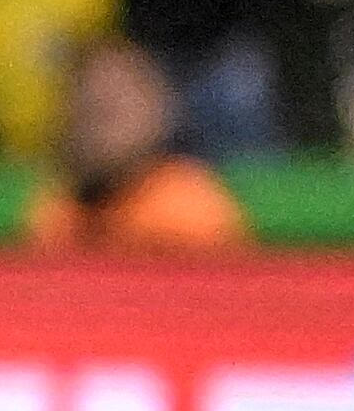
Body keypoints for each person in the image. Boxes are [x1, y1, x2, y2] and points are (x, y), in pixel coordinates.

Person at [24, 35, 254, 250]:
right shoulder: (58, 214)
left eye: (112, 111)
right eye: (89, 109)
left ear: (157, 112)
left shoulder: (188, 208)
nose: (98, 130)